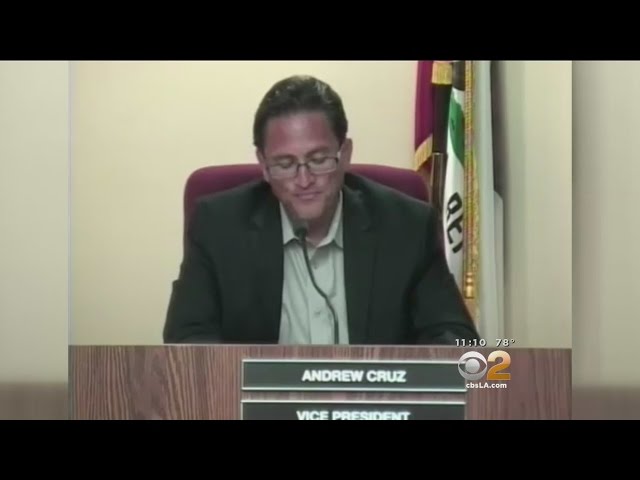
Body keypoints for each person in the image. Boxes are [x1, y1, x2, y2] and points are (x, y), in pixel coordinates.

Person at [163, 75, 479, 345]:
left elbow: (455, 337)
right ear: (263, 165)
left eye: (318, 160)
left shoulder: (407, 227)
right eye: (285, 164)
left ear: (345, 154)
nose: (304, 180)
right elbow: (188, 339)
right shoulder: (218, 227)